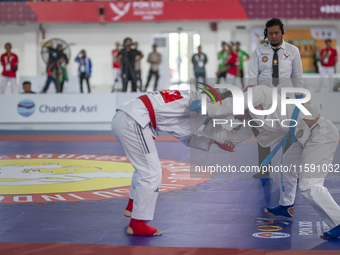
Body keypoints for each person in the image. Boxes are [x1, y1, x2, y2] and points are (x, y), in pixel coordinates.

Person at [198, 85, 340, 240]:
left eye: (233, 114)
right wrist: (207, 122)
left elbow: (236, 103)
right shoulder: (252, 123)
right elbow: (230, 137)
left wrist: (208, 108)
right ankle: (286, 206)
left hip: (321, 134)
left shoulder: (259, 94)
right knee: (285, 167)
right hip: (303, 138)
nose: (234, 118)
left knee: (309, 185)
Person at [111, 89, 233, 236]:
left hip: (126, 116)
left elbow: (187, 136)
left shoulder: (192, 97)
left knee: (144, 170)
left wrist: (214, 141)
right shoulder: (198, 104)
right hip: (134, 121)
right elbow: (197, 121)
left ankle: (132, 207)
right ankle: (137, 224)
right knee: (151, 173)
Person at [248, 18, 303, 178]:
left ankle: (291, 171)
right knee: (262, 131)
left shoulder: (293, 51)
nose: (274, 36)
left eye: (277, 32)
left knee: (288, 134)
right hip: (265, 99)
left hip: (285, 99)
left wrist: (300, 99)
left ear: (282, 32)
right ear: (266, 34)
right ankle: (264, 169)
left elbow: (297, 76)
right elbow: (252, 75)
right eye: (270, 33)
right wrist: (252, 97)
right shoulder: (259, 51)